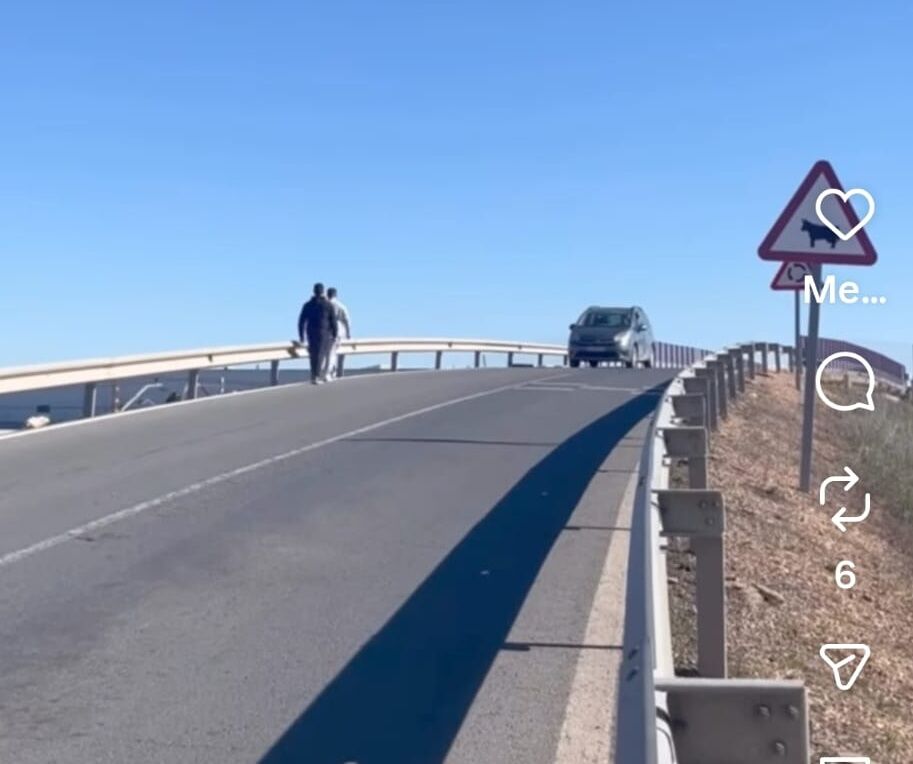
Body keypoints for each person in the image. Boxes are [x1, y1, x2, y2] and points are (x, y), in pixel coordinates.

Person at [297, 283, 338, 384]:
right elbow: (333, 321)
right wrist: (335, 334)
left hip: (311, 332)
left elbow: (301, 321)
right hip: (323, 332)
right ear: (323, 292)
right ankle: (316, 376)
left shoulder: (308, 305)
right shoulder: (328, 305)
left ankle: (314, 375)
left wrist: (302, 336)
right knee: (320, 354)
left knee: (313, 354)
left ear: (313, 291)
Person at [324, 286, 351, 381]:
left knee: (328, 353)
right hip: (338, 331)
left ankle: (331, 370)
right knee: (333, 353)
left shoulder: (324, 305)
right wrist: (348, 333)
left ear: (327, 295)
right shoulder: (340, 306)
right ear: (336, 295)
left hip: (325, 331)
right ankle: (331, 372)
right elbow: (347, 320)